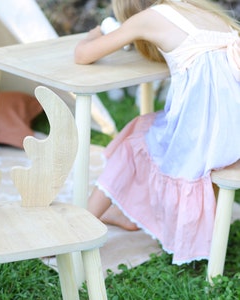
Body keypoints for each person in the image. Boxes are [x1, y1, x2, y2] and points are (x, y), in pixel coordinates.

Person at [74, 0, 240, 265]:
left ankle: (79, 225)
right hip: (232, 133)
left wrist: (95, 33)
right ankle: (120, 211)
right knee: (151, 130)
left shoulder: (148, 18)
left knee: (136, 138)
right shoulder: (201, 9)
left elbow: (83, 56)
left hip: (211, 141)